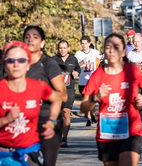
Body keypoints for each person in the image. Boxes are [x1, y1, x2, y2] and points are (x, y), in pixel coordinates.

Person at [80, 33, 142, 166]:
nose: (111, 50)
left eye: (116, 47)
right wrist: (95, 98)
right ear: (104, 51)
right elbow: (83, 107)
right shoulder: (97, 76)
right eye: (108, 47)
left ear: (123, 51)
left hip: (131, 129)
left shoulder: (132, 71)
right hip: (107, 132)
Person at [0, 41, 62, 166]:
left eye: (21, 60)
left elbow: (57, 99)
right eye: (11, 60)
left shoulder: (38, 86)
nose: (16, 64)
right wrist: (6, 119)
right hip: (4, 155)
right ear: (4, 64)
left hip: (30, 152)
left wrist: (52, 122)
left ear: (28, 65)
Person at [23, 26, 67, 166]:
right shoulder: (17, 64)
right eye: (27, 37)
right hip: (23, 121)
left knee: (46, 163)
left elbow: (63, 95)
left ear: (42, 43)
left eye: (35, 37)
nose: (30, 40)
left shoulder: (48, 64)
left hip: (46, 119)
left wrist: (40, 95)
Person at [52, 40, 81, 148]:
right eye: (60, 48)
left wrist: (76, 73)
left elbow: (78, 69)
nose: (62, 50)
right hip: (57, 90)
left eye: (64, 48)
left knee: (66, 112)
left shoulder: (73, 59)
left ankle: (64, 138)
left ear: (68, 48)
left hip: (69, 89)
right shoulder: (54, 59)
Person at [75, 36, 101, 126]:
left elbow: (102, 60)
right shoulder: (78, 54)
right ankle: (90, 116)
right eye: (82, 43)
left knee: (92, 100)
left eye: (86, 43)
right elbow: (75, 66)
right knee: (85, 100)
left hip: (92, 80)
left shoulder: (95, 52)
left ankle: (90, 116)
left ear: (89, 43)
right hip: (82, 81)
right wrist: (82, 62)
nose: (84, 45)